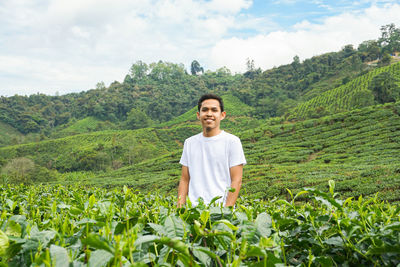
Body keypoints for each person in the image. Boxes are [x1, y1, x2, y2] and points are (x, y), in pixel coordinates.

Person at [177, 93, 246, 207]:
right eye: (205, 110)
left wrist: (226, 211)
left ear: (222, 115)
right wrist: (179, 208)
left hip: (220, 211)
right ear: (198, 115)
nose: (209, 114)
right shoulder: (189, 143)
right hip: (194, 212)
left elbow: (236, 180)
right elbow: (184, 179)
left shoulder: (232, 142)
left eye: (214, 110)